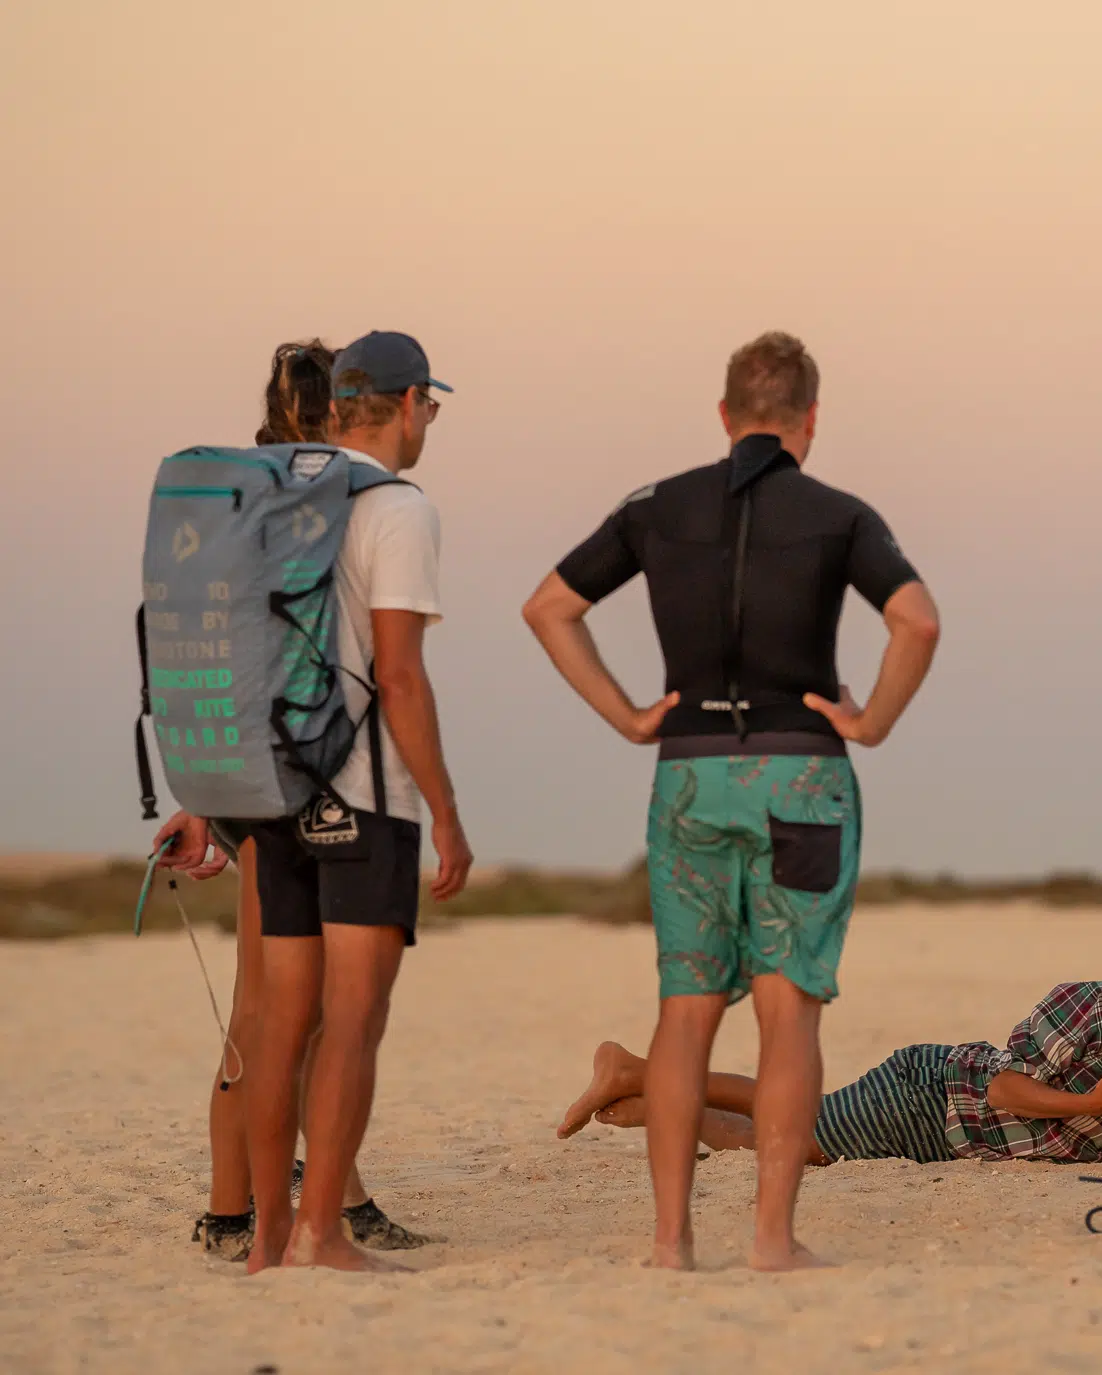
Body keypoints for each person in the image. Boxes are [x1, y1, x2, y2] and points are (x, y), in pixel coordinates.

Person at [522, 331, 940, 1271]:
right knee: (789, 1014)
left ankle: (671, 1242)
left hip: (690, 772)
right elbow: (916, 620)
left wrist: (629, 715)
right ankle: (771, 1240)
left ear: (724, 414)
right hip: (804, 776)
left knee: (685, 1011)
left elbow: (548, 606)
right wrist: (871, 720)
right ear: (811, 419)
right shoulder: (839, 514)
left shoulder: (655, 507)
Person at [178, 329, 469, 1273]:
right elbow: (401, 674)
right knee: (347, 1021)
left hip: (268, 791)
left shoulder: (265, 499)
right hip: (360, 792)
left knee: (275, 1023)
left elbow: (222, 649)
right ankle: (323, 1232)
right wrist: (446, 810)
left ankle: (267, 1237)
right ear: (409, 403)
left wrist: (204, 789)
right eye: (430, 405)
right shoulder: (397, 508)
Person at [554, 920, 1102, 1166]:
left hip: (958, 1142)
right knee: (797, 1137)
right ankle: (640, 1076)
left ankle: (646, 1092)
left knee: (796, 1127)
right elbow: (1005, 1087)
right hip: (939, 1095)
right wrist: (1091, 1103)